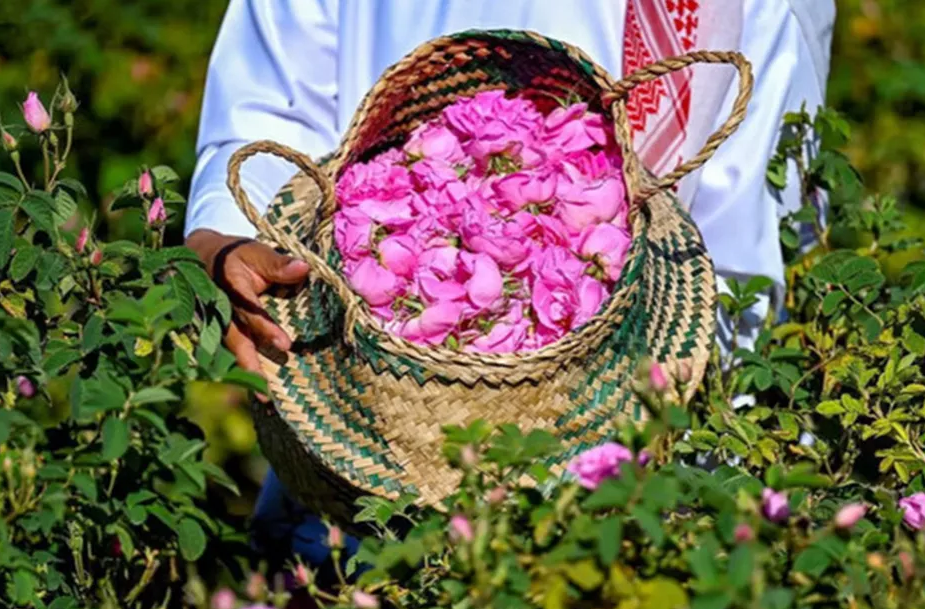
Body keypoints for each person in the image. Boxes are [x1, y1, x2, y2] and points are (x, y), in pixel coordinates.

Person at [185, 0, 835, 566]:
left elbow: (749, 271)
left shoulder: (760, 10)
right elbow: (268, 105)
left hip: (632, 507)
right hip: (360, 455)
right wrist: (227, 243)